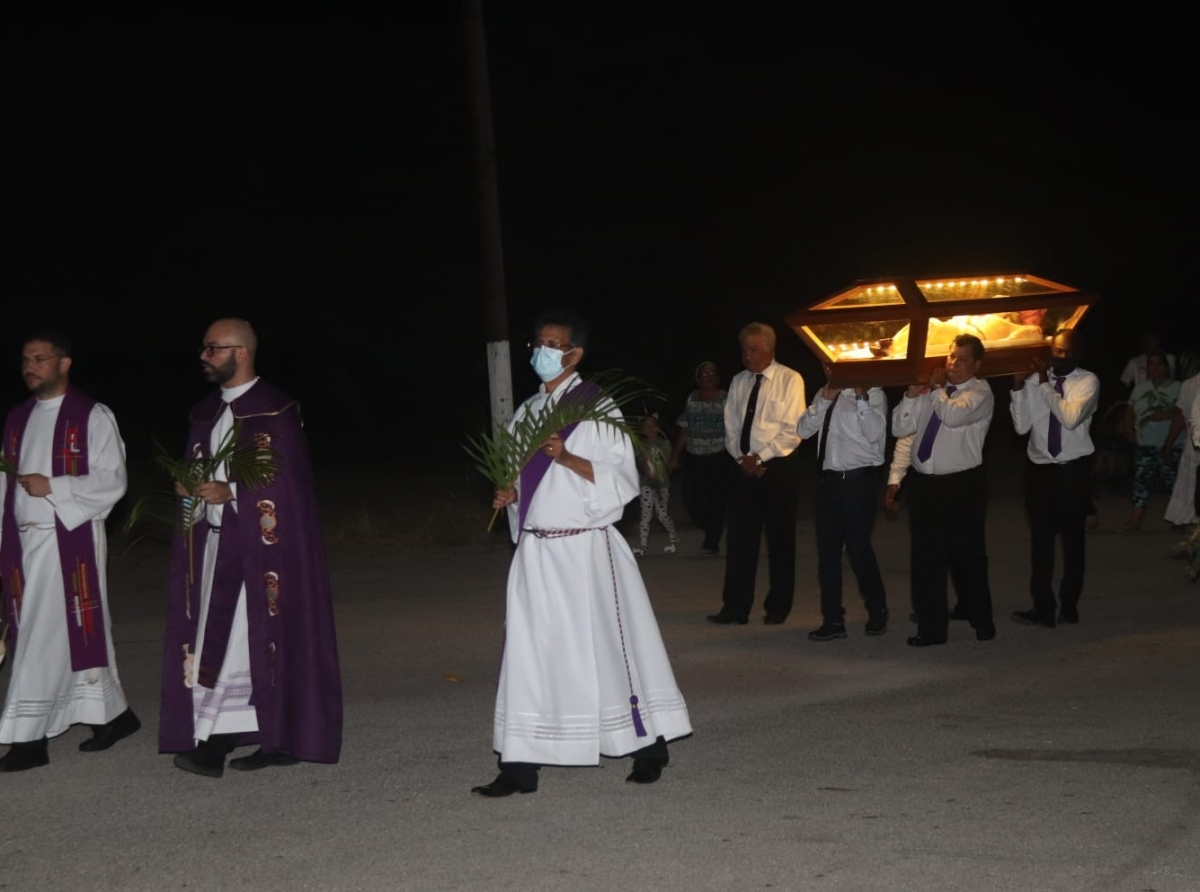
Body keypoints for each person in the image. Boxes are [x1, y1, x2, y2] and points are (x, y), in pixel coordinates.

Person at [472, 311, 692, 797]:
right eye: (538, 343)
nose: (542, 351)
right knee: (532, 653)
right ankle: (520, 765)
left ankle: (649, 745)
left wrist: (567, 456)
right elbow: (522, 478)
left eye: (553, 344)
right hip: (537, 550)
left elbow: (623, 479)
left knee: (613, 649)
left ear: (575, 354)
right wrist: (508, 496)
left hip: (586, 548)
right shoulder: (528, 410)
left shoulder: (597, 408)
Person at [159, 318, 342, 778]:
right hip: (216, 548)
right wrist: (190, 492)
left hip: (262, 555)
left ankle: (221, 745)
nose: (203, 356)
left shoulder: (275, 411)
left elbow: (288, 489)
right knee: (221, 643)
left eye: (212, 348)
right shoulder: (205, 414)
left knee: (249, 644)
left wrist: (233, 493)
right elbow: (199, 475)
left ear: (240, 352)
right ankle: (247, 736)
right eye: (203, 348)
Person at [0, 331, 138, 772]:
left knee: (40, 636)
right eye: (25, 359)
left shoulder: (91, 415)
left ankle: (28, 739)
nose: (30, 366)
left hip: (68, 534)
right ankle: (113, 716)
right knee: (62, 634)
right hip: (25, 540)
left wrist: (53, 487)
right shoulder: (17, 419)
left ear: (64, 364)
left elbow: (113, 479)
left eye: (40, 359)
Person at [891, 334, 996, 647]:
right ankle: (931, 628)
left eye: (962, 359)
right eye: (951, 356)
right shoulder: (929, 391)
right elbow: (900, 429)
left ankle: (981, 618)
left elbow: (952, 416)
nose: (954, 363)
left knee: (968, 556)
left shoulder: (980, 392)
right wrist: (911, 395)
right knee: (926, 559)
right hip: (925, 485)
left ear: (977, 364)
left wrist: (935, 390)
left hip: (962, 484)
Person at [707, 323, 806, 626]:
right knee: (740, 541)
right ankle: (735, 608)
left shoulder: (790, 379)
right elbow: (731, 427)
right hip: (743, 468)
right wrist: (742, 458)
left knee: (780, 541)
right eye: (744, 350)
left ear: (769, 349)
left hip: (778, 467)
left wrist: (759, 456)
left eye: (753, 349)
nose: (747, 356)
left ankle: (778, 607)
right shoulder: (738, 381)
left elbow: (794, 430)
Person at [1009, 329, 1100, 627]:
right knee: (1041, 544)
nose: (1060, 357)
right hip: (1040, 472)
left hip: (1072, 471)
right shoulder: (1037, 380)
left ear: (1079, 354)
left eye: (1067, 352)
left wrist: (1045, 385)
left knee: (1073, 543)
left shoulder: (1087, 381)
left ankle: (1069, 605)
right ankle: (1043, 607)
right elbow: (1021, 427)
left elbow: (1070, 418)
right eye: (1056, 351)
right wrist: (1020, 388)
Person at [796, 371, 889, 640]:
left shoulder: (874, 393)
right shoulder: (825, 392)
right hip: (828, 482)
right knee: (827, 553)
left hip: (859, 482)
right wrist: (824, 400)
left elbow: (874, 434)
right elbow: (802, 430)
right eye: (825, 366)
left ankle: (877, 608)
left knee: (859, 549)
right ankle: (833, 620)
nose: (829, 371)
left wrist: (860, 395)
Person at [670, 361, 731, 555]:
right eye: (704, 374)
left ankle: (712, 541)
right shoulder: (692, 399)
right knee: (691, 499)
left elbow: (734, 428)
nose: (709, 377)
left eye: (712, 373)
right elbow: (685, 427)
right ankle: (710, 527)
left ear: (719, 377)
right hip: (695, 456)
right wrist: (675, 456)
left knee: (716, 500)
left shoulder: (726, 399)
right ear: (697, 379)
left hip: (718, 456)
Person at [1120, 351, 1182, 532]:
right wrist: (1129, 431)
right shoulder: (1140, 388)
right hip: (1145, 444)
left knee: (1175, 485)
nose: (1155, 368)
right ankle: (1134, 521)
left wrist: (1167, 415)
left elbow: (1186, 415)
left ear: (1166, 367)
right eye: (1151, 365)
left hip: (1171, 444)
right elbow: (1130, 411)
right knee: (1140, 483)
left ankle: (1181, 520)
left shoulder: (1179, 388)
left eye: (1159, 364)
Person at [633, 413, 680, 557]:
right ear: (642, 430)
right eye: (646, 427)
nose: (650, 429)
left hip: (661, 485)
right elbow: (637, 463)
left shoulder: (664, 444)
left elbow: (668, 462)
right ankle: (643, 547)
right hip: (646, 484)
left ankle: (674, 538)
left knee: (661, 514)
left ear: (658, 428)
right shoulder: (639, 446)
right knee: (645, 516)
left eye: (653, 426)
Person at [1163, 371, 1200, 528]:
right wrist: (1168, 444)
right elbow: (1180, 415)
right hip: (1194, 449)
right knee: (1191, 492)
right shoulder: (1189, 385)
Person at [1119, 329, 1175, 395]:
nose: (1148, 342)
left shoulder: (1169, 358)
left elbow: (1172, 378)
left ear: (1157, 341)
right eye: (1145, 339)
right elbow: (1123, 384)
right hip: (1142, 399)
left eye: (1151, 339)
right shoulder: (1134, 361)